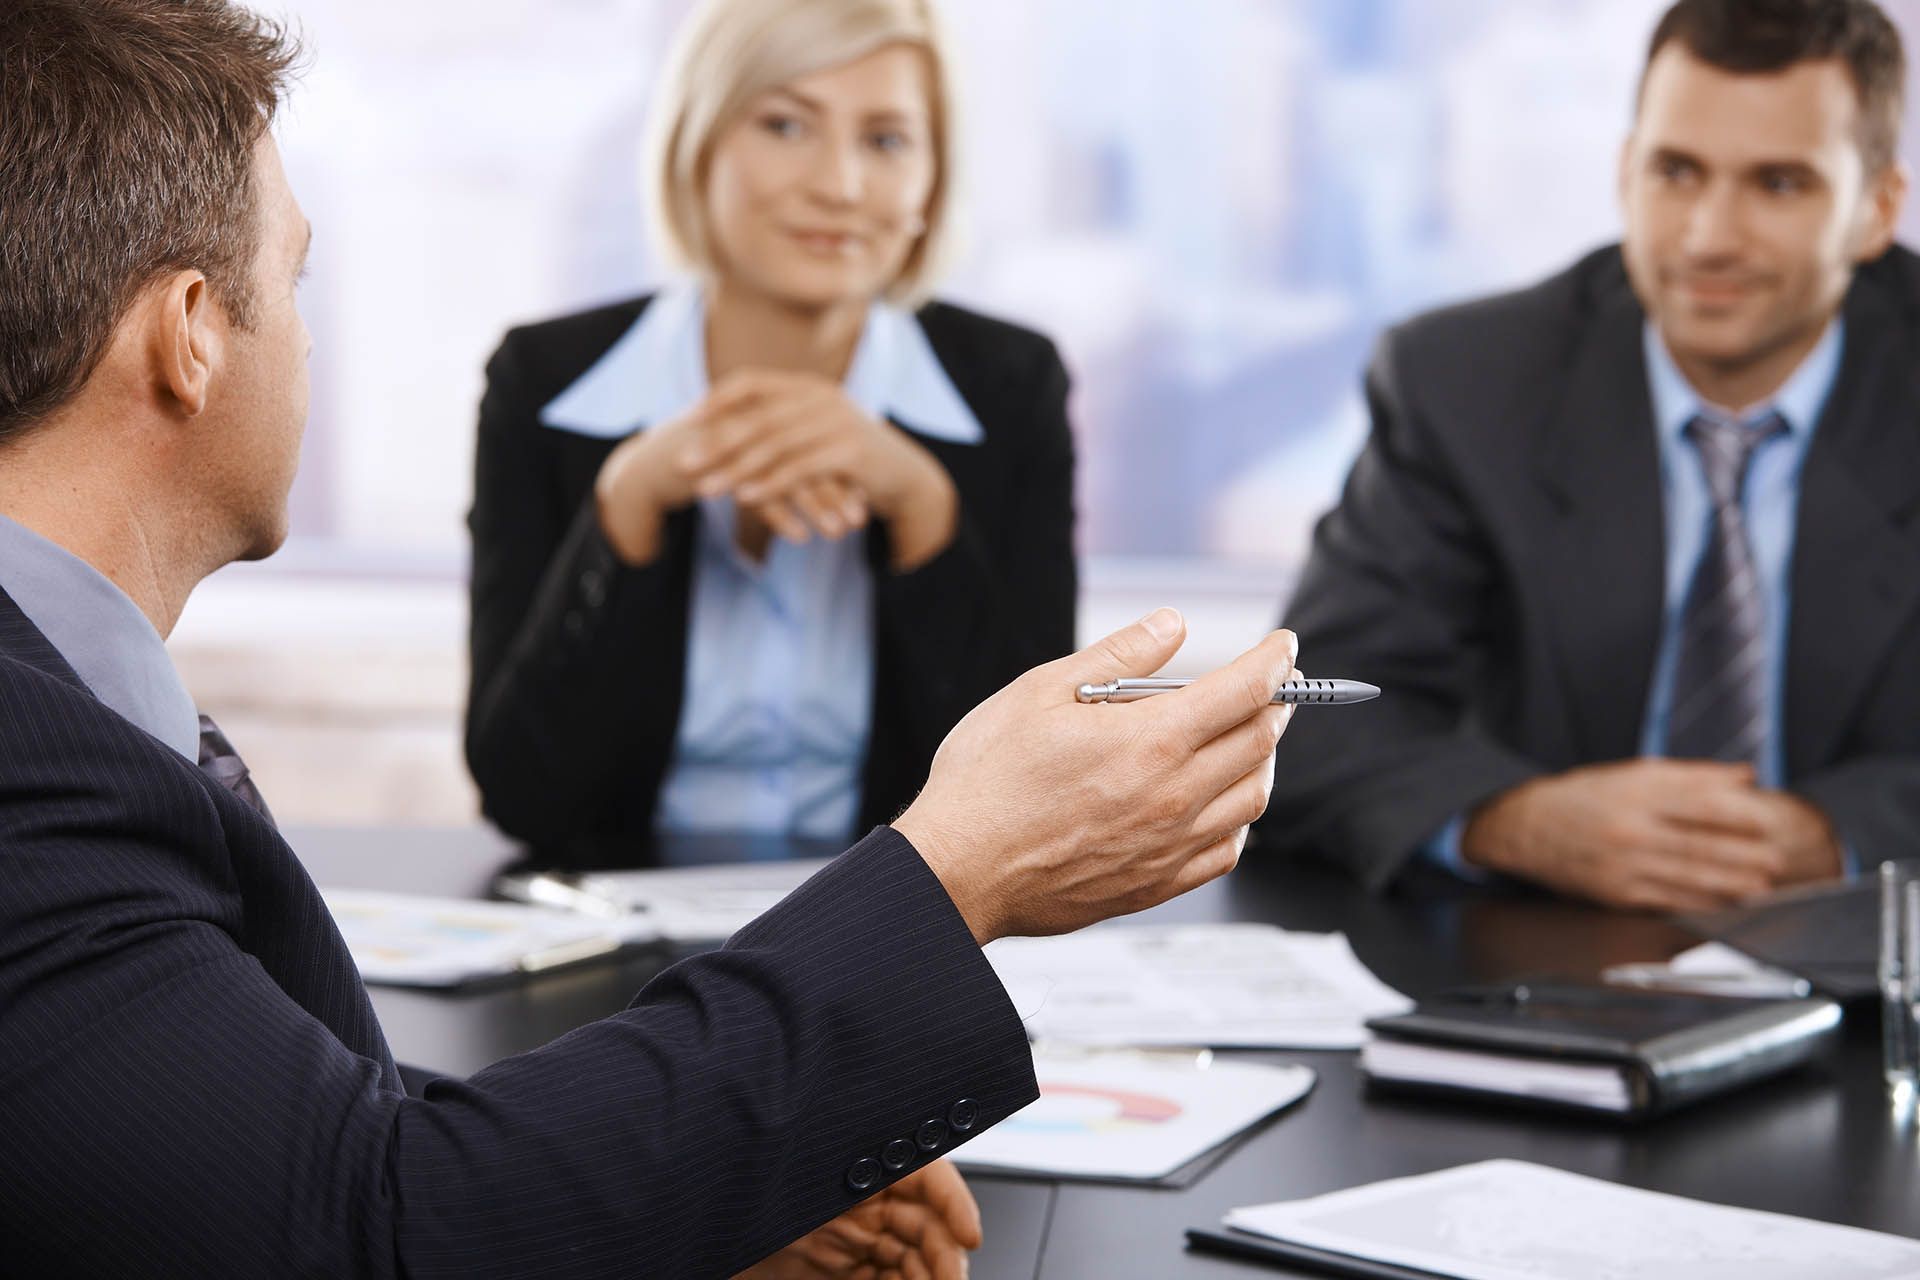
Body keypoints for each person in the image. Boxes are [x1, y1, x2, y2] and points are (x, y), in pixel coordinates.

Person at [0, 2, 1299, 1275]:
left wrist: (682, 1191)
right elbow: (376, 1219)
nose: (838, 181)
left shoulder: (67, 724)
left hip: (760, 1017)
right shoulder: (50, 773)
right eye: (294, 279)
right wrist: (964, 870)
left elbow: (279, 1148)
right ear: (188, 338)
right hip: (633, 968)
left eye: (887, 139)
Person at [1264, 0, 1920, 911]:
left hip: (1875, 984)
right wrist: (1515, 820)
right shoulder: (1465, 385)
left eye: (1778, 184)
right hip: (1548, 960)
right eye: (1676, 171)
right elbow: (1314, 715)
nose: (1707, 237)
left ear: (1876, 210)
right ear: (1625, 171)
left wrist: (1841, 837)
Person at [465, 0, 1077, 869]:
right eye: (786, 124)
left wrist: (924, 509)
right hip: (623, 941)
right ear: (699, 140)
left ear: (932, 182)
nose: (840, 185)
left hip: (894, 935)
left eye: (887, 140)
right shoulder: (546, 383)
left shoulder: (1010, 388)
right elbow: (525, 792)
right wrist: (625, 511)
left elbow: (1031, 802)